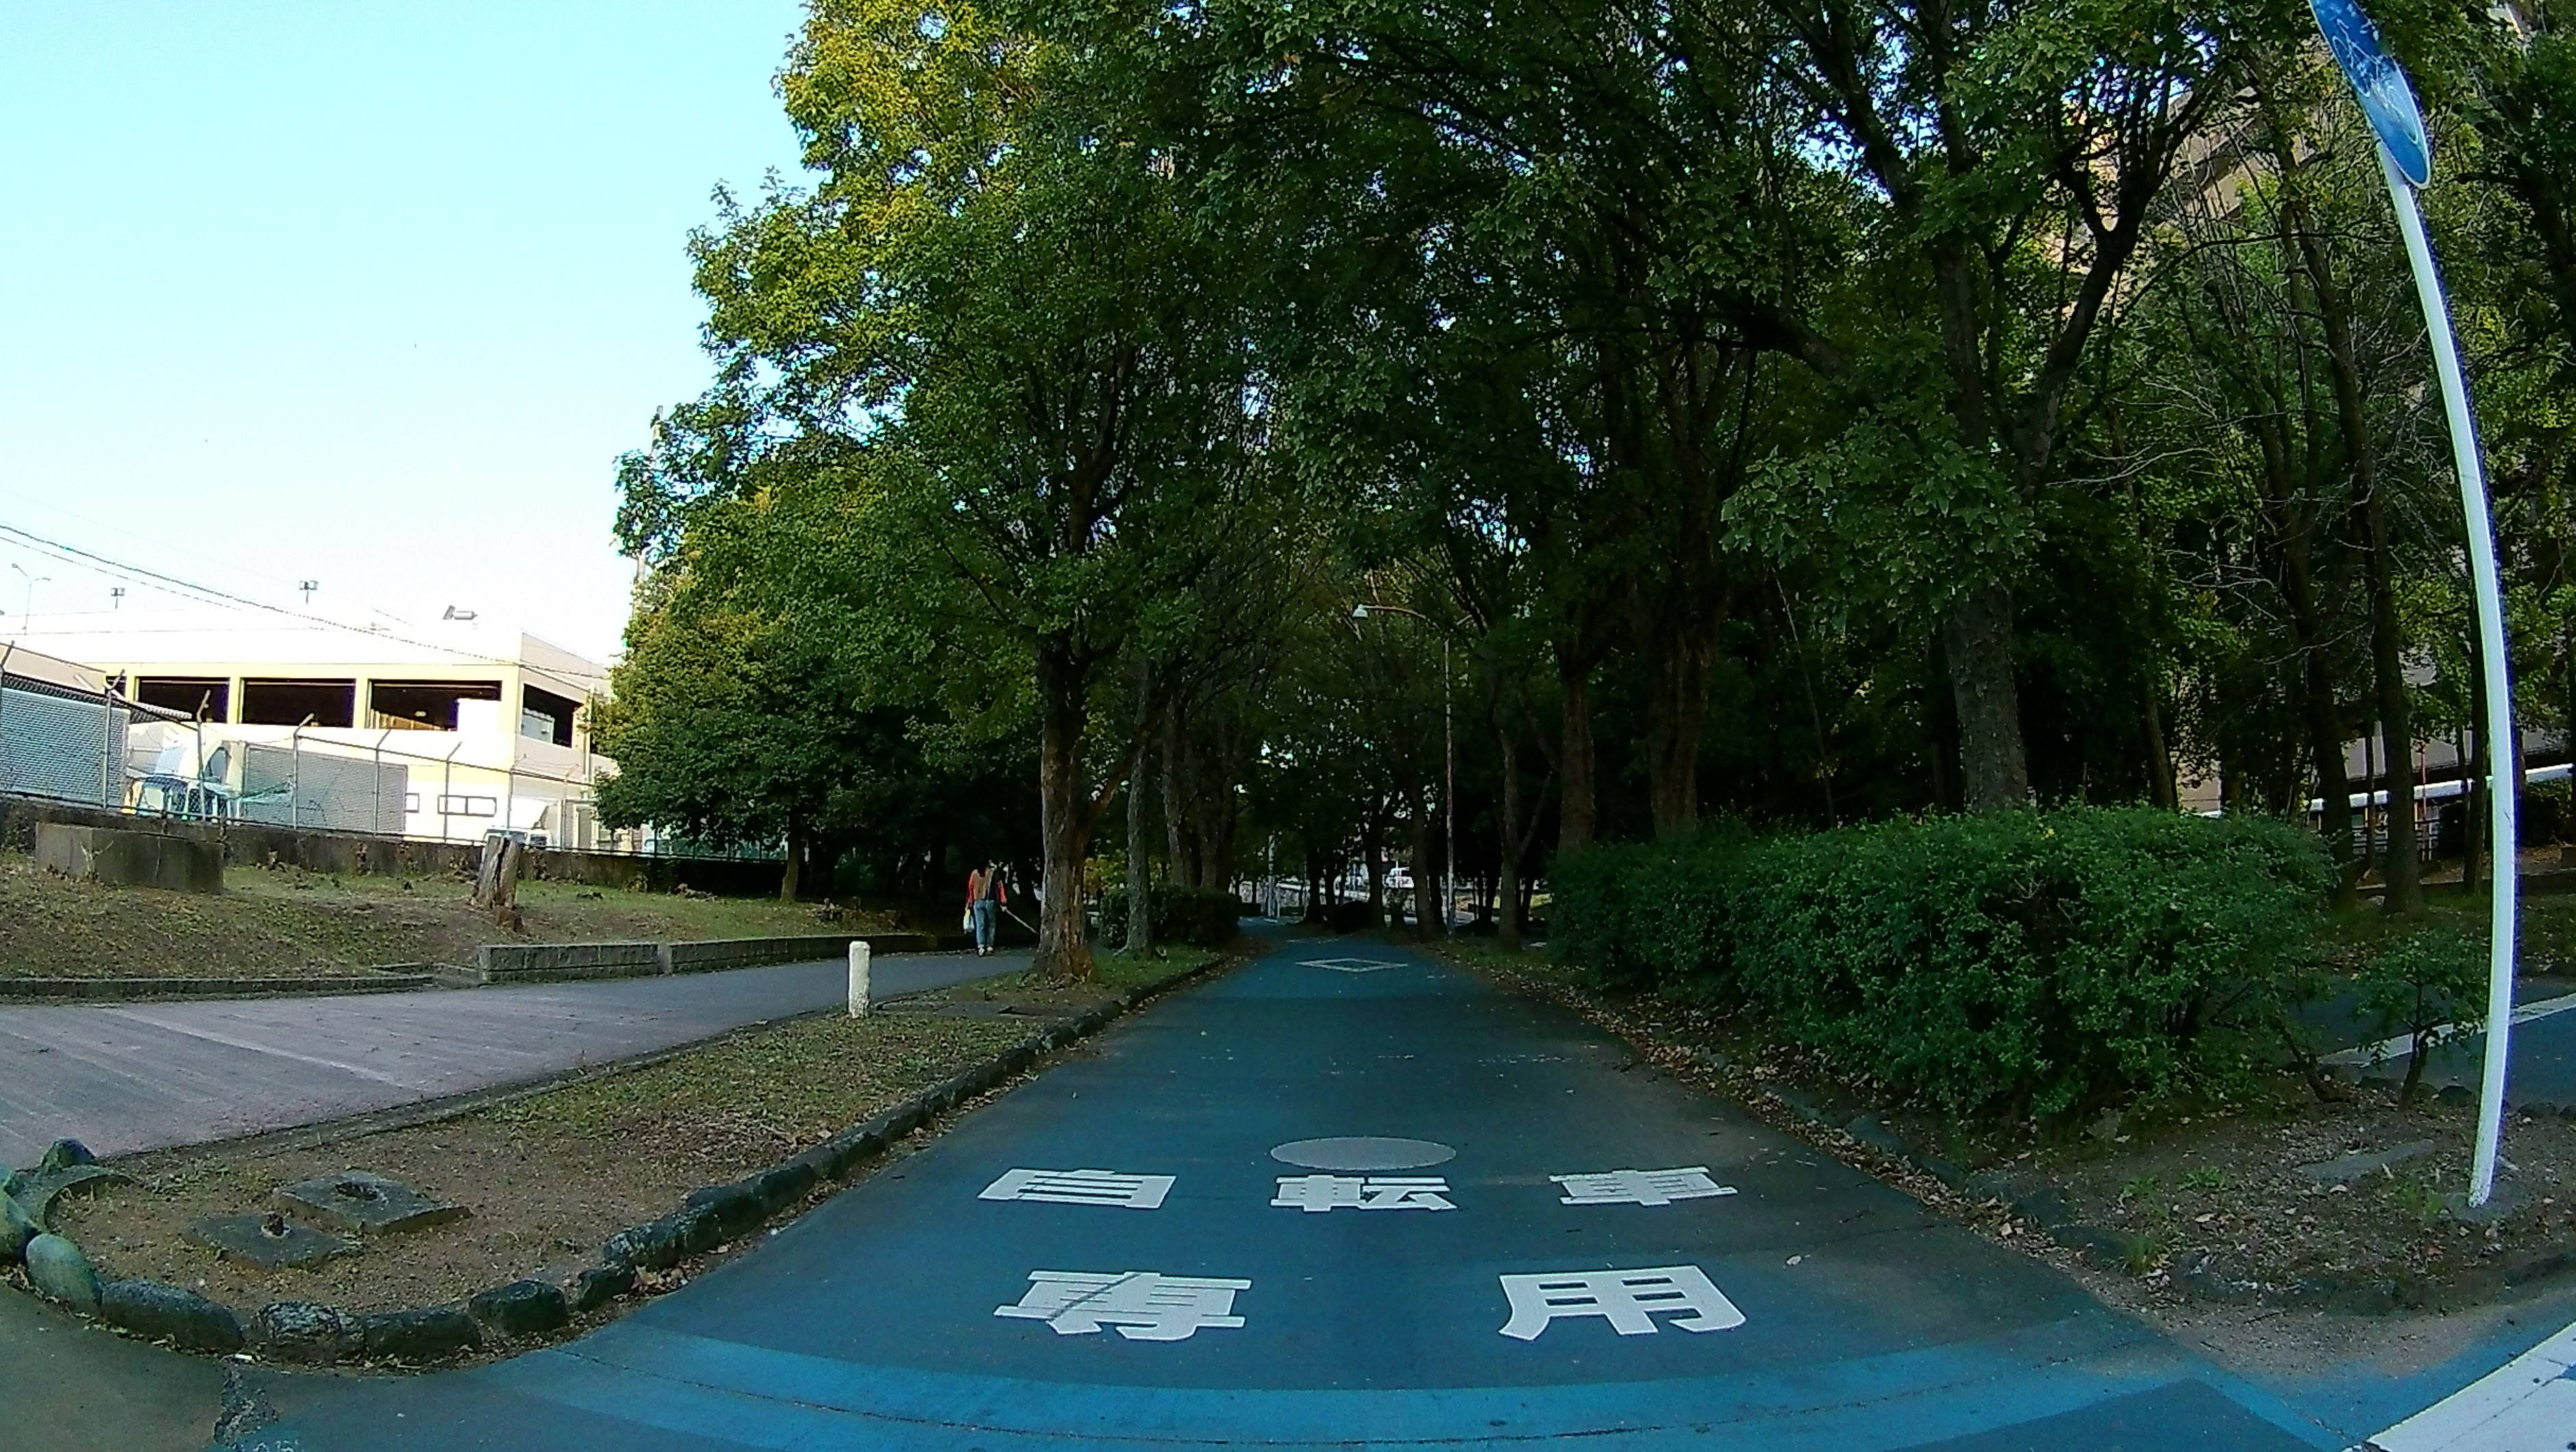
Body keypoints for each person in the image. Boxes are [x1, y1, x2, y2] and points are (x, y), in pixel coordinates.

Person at [965, 861, 1006, 956]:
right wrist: (1003, 902)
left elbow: (970, 888)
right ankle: (990, 946)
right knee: (991, 924)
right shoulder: (993, 873)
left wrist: (969, 903)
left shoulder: (974, 874)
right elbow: (1000, 887)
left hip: (977, 901)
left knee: (980, 925)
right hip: (990, 901)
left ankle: (981, 947)